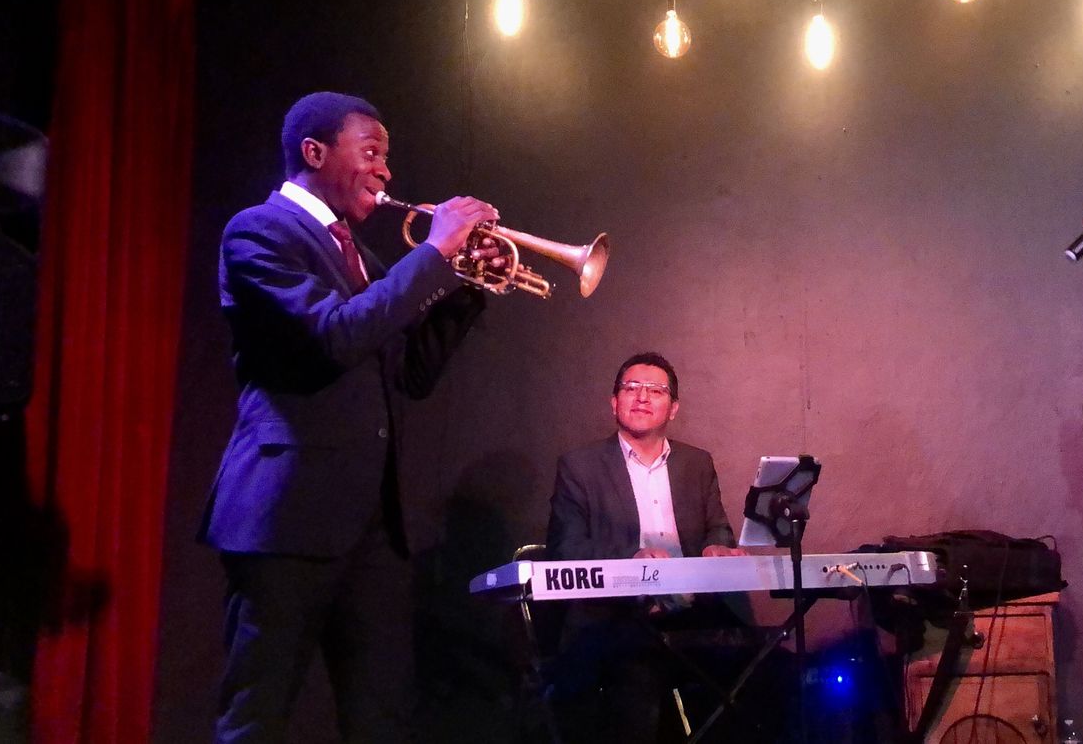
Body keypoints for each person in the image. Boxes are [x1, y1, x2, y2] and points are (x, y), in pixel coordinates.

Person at [199, 91, 501, 742]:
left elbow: (411, 375)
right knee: (256, 718)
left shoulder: (363, 256)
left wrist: (468, 285)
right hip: (286, 518)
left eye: (386, 157)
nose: (386, 171)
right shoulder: (258, 231)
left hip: (373, 531)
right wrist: (435, 254)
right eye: (371, 152)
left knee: (381, 720)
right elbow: (335, 336)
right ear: (314, 152)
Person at [545, 351, 747, 741]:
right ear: (613, 402)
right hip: (617, 618)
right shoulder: (579, 466)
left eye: (655, 390)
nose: (641, 397)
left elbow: (717, 529)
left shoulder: (696, 463)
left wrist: (716, 548)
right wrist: (632, 560)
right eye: (631, 388)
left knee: (762, 669)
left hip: (691, 616)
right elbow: (566, 549)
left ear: (673, 408)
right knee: (638, 676)